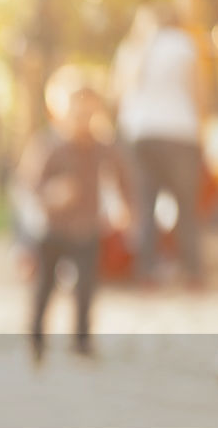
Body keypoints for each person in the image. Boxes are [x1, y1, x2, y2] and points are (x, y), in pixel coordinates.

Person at [17, 76, 133, 363]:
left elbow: (123, 176)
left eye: (90, 114)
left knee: (86, 288)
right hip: (51, 229)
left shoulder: (102, 146)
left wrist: (126, 206)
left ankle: (81, 341)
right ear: (59, 112)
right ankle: (36, 339)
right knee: (45, 287)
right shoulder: (48, 145)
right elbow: (29, 185)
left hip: (86, 229)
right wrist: (51, 194)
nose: (84, 121)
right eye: (78, 114)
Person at [111, 1, 207, 286]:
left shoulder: (131, 47)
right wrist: (201, 131)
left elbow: (119, 93)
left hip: (140, 132)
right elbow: (197, 91)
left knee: (145, 203)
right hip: (181, 131)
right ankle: (192, 272)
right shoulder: (184, 44)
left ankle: (146, 271)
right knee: (188, 206)